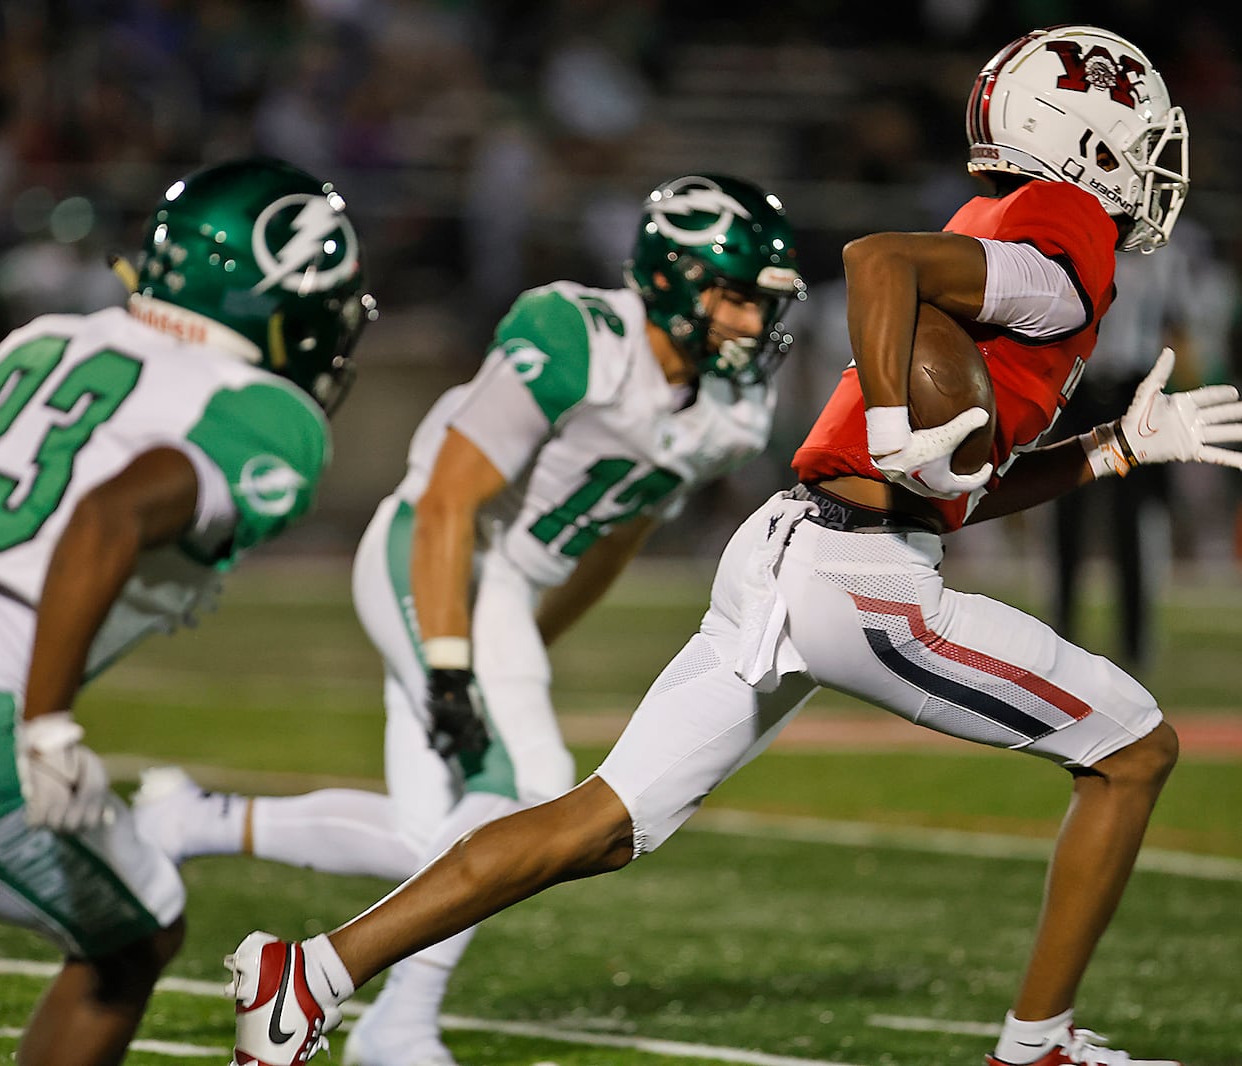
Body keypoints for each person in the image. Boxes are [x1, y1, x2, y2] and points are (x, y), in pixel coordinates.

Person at [226, 26, 1242, 1066]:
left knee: (603, 821)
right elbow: (874, 262)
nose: (1156, 161)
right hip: (863, 577)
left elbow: (951, 488)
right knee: (1131, 747)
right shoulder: (1060, 245)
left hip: (798, 550)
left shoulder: (1006, 246)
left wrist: (1113, 448)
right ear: (1078, 138)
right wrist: (901, 421)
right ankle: (1036, 1046)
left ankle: (306, 974)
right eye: (1139, 133)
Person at [137, 172, 806, 1066]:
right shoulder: (578, 335)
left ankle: (194, 822)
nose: (752, 325)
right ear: (676, 277)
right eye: (734, 297)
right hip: (432, 550)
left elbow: (615, 537)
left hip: (505, 600)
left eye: (764, 303)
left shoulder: (733, 409)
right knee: (525, 791)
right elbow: (451, 496)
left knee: (435, 839)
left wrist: (528, 642)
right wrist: (455, 663)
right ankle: (389, 1021)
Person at [0, 156, 375, 1066]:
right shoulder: (265, 412)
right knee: (138, 933)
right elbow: (109, 514)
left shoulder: (50, 339)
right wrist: (46, 727)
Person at [1050, 236, 1196, 671]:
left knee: (1132, 520)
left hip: (1134, 392)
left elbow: (1177, 328)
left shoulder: (1167, 257)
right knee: (1064, 514)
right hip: (1078, 390)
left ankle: (1135, 640)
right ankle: (1060, 635)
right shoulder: (1077, 245)